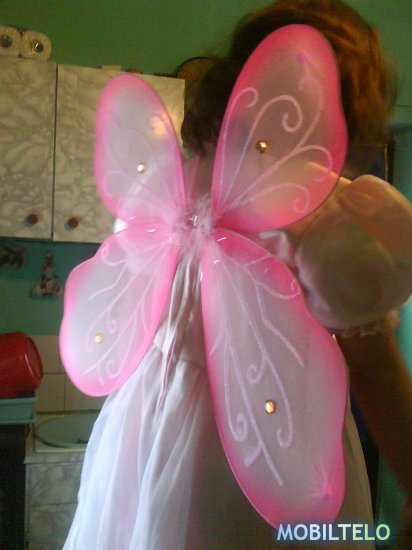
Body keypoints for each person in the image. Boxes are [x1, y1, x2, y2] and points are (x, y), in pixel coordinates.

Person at [64, 1, 412, 548]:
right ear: (346, 103)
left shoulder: (166, 180)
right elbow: (376, 374)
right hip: (260, 449)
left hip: (140, 431)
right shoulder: (318, 213)